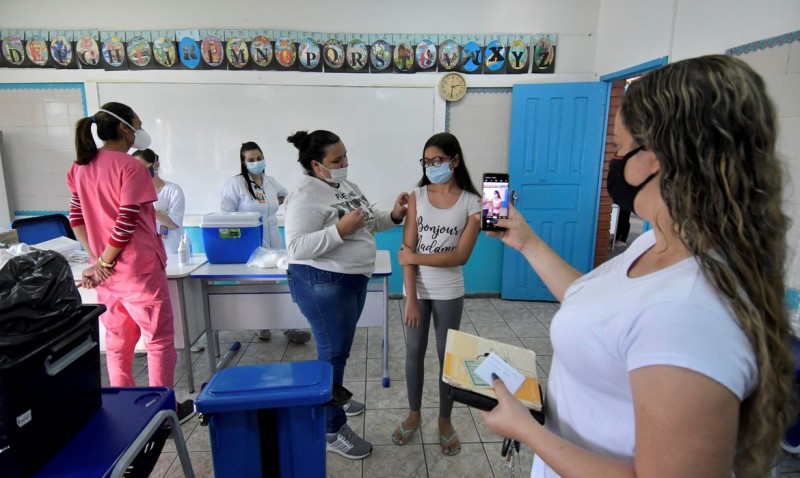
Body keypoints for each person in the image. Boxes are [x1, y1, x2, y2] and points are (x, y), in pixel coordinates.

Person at [480, 55, 794, 478]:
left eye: (622, 148)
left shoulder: (691, 311)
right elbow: (596, 301)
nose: (615, 160)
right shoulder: (658, 241)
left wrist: (526, 430)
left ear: (660, 155)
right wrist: (528, 243)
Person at [283, 129, 408, 460]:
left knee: (340, 350)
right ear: (316, 164)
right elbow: (296, 247)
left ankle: (334, 393)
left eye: (345, 156)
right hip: (322, 281)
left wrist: (394, 215)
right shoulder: (305, 194)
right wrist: (340, 230)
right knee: (332, 353)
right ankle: (331, 428)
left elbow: (368, 222)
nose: (344, 163)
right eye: (336, 160)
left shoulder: (347, 188)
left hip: (351, 280)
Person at [67, 102, 194, 421]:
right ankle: (163, 412)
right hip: (139, 273)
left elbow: (76, 217)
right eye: (138, 124)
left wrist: (98, 261)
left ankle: (123, 408)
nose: (140, 130)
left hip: (110, 279)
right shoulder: (132, 167)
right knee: (159, 341)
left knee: (118, 342)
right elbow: (126, 221)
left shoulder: (80, 167)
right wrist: (104, 262)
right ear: (125, 128)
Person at [393, 132, 481, 455]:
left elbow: (460, 256)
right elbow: (406, 246)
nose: (431, 166)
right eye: (427, 161)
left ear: (454, 161)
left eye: (438, 161)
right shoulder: (417, 195)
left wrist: (414, 258)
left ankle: (445, 419)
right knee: (414, 352)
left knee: (448, 358)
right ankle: (414, 413)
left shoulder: (473, 202)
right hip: (416, 289)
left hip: (449, 290)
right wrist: (412, 299)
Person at [220, 141, 311, 345]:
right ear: (244, 163)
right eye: (251, 160)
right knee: (256, 286)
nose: (256, 162)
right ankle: (261, 324)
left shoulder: (270, 182)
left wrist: (270, 204)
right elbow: (226, 215)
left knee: (281, 283)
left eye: (259, 158)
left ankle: (288, 325)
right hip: (251, 244)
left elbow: (285, 195)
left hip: (274, 242)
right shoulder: (235, 184)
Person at [131, 149, 185, 254]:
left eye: (142, 167)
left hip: (169, 250)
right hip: (143, 251)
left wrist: (148, 208)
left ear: (156, 165)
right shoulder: (132, 192)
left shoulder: (173, 190)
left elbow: (174, 223)